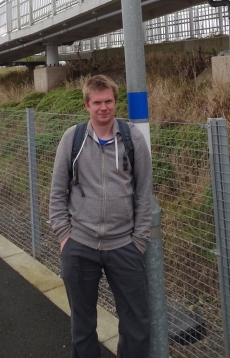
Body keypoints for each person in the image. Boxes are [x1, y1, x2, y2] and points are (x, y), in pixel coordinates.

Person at [49, 74, 153, 358]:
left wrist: (139, 241)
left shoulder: (132, 139)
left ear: (115, 103)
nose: (103, 107)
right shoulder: (73, 138)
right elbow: (57, 191)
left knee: (137, 326)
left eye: (108, 101)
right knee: (82, 327)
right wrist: (64, 236)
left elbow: (144, 192)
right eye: (97, 102)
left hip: (124, 247)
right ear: (87, 105)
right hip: (79, 246)